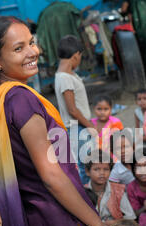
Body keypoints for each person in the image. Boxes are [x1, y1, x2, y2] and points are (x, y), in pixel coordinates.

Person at [0, 16, 122, 226]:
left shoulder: (2, 100)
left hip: (42, 223)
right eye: (18, 48)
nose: (32, 52)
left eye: (31, 42)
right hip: (61, 222)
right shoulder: (21, 100)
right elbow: (52, 176)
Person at [54, 35, 95, 185]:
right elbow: (72, 109)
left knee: (88, 163)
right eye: (80, 57)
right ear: (76, 55)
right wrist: (90, 126)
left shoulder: (66, 75)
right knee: (86, 166)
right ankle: (89, 198)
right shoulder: (65, 78)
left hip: (79, 126)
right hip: (77, 127)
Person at [84, 150, 136, 226]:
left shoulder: (118, 190)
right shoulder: (83, 192)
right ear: (88, 172)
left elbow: (131, 218)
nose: (102, 173)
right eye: (97, 169)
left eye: (106, 169)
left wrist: (113, 223)